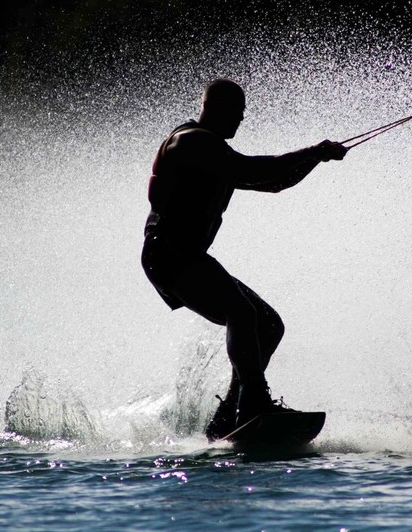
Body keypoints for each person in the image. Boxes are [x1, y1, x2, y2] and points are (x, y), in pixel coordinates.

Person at [141, 78, 347, 441]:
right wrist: (314, 150)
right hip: (169, 252)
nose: (241, 120)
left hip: (185, 255)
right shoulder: (191, 142)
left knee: (268, 324)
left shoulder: (214, 152)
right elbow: (255, 170)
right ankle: (253, 403)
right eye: (237, 113)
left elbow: (274, 183)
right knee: (242, 312)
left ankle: (229, 418)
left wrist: (317, 159)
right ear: (215, 108)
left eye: (243, 113)